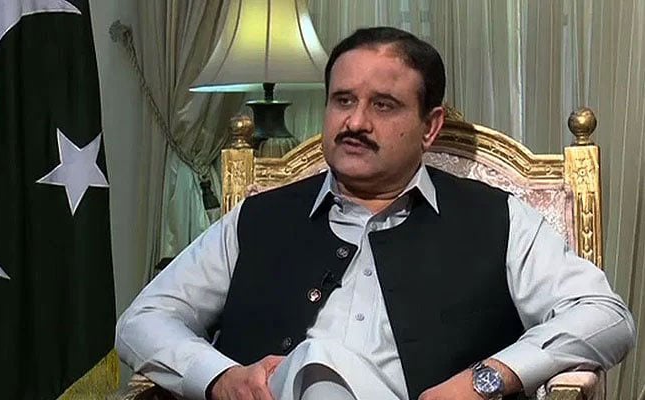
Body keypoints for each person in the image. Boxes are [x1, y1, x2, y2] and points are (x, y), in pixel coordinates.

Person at [116, 27, 635, 400]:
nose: (355, 122)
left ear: (430, 127)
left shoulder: (496, 218)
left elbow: (605, 317)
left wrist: (487, 379)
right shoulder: (259, 218)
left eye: (383, 105)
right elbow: (144, 321)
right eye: (342, 100)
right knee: (314, 361)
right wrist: (218, 377)